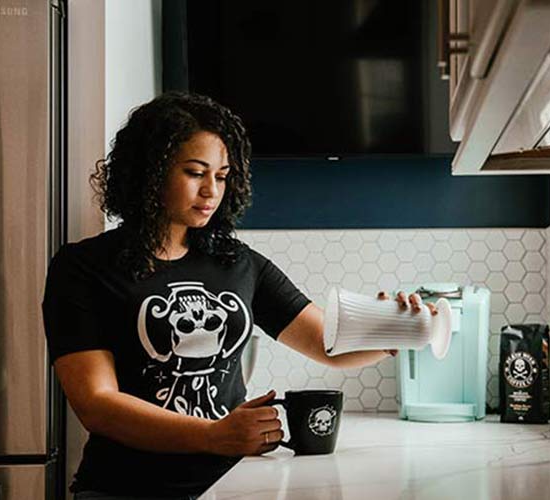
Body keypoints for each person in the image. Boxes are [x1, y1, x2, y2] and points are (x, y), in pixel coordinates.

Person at [42, 92, 436, 500]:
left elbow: (327, 343)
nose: (211, 190)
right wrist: (214, 435)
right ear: (149, 171)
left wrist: (393, 332)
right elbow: (97, 405)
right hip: (121, 490)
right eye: (195, 172)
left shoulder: (238, 263)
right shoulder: (83, 267)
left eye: (222, 175)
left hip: (230, 486)